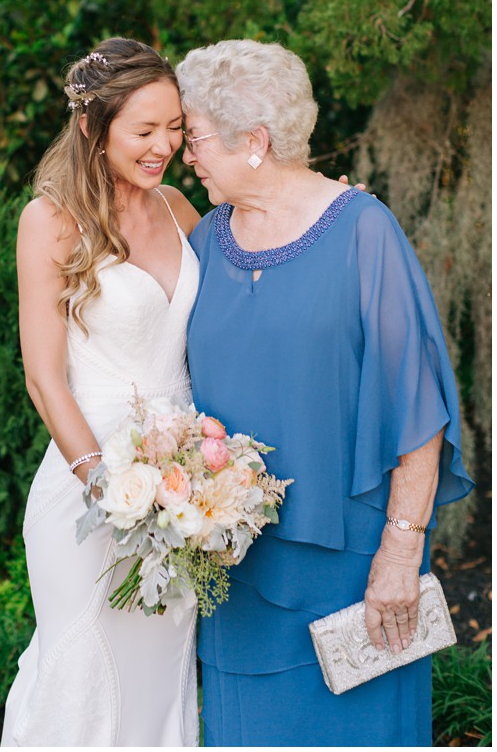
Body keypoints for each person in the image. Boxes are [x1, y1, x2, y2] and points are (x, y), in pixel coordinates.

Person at [175, 39, 472, 746]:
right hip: (237, 581)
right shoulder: (204, 243)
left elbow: (418, 411)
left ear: (255, 141)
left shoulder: (365, 232)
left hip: (356, 580)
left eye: (195, 139)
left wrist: (402, 551)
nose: (188, 156)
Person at [2, 38, 202, 746]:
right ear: (92, 126)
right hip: (93, 487)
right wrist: (104, 487)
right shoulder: (50, 221)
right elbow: (43, 377)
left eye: (175, 127)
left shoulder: (180, 208)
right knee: (82, 668)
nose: (165, 147)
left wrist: (332, 223)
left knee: (159, 674)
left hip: (188, 487)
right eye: (144, 130)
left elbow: (248, 298)